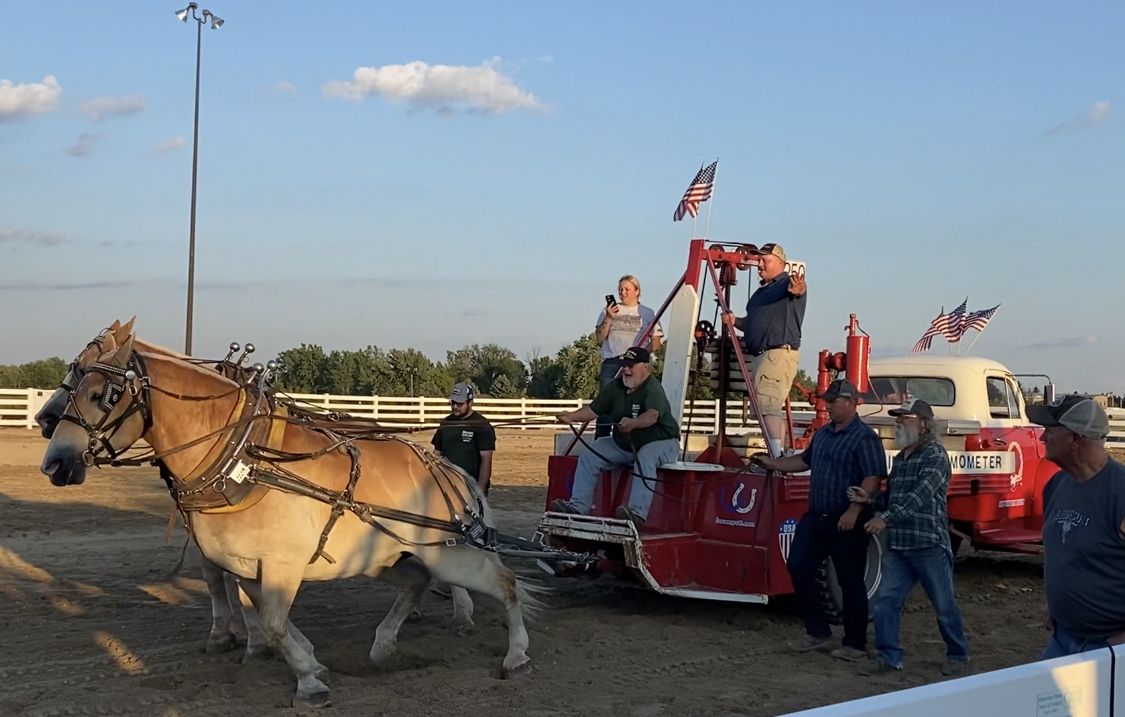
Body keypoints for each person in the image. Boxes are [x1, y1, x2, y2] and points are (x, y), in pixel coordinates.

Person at [750, 378, 886, 662]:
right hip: (817, 516)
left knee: (850, 582)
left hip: (846, 518)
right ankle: (818, 631)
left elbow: (872, 477)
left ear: (851, 403)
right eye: (828, 401)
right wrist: (773, 464)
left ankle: (855, 643)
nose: (828, 406)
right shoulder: (823, 434)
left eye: (833, 402)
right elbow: (804, 461)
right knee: (798, 566)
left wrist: (853, 511)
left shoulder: (865, 437)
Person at [847, 399, 970, 677]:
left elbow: (919, 498)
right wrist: (870, 499)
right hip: (900, 545)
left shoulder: (935, 456)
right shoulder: (902, 459)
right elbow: (894, 499)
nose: (898, 422)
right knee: (886, 602)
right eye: (898, 417)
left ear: (925, 424)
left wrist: (884, 519)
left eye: (905, 417)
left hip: (929, 545)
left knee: (943, 605)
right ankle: (889, 657)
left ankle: (958, 654)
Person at [1029, 394, 1125, 660]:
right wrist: (1055, 606)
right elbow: (1061, 550)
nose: (1042, 438)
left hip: (1109, 648)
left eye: (1049, 430)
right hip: (1063, 639)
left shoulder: (1120, 493)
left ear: (1075, 439)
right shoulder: (1056, 485)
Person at [551, 346, 680, 528]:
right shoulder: (614, 386)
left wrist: (633, 423)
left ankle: (636, 514)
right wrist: (571, 416)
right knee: (590, 454)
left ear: (646, 367)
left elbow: (653, 415)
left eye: (631, 365)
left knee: (645, 457)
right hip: (625, 444)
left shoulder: (653, 389)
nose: (626, 369)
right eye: (624, 365)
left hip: (662, 442)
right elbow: (593, 410)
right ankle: (577, 509)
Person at [723, 243, 806, 457]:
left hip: (776, 354)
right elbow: (752, 322)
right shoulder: (763, 291)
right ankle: (780, 454)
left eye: (765, 260)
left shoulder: (787, 283)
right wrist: (735, 321)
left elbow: (799, 290)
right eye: (759, 260)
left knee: (766, 407)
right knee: (770, 407)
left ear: (781, 263)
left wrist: (799, 289)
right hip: (766, 356)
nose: (759, 264)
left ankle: (775, 456)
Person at [594, 275, 663, 438]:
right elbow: (599, 337)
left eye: (626, 289)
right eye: (620, 289)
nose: (622, 293)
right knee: (606, 400)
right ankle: (602, 438)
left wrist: (640, 356)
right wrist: (609, 317)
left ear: (637, 291)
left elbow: (656, 341)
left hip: (636, 363)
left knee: (635, 400)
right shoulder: (608, 311)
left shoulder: (647, 313)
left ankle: (628, 438)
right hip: (613, 360)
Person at [431, 383, 496, 495]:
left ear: (470, 402)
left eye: (460, 404)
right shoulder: (446, 423)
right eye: (453, 403)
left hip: (470, 486)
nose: (455, 407)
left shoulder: (481, 425)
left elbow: (486, 459)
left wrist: (480, 489)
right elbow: (437, 453)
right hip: (447, 484)